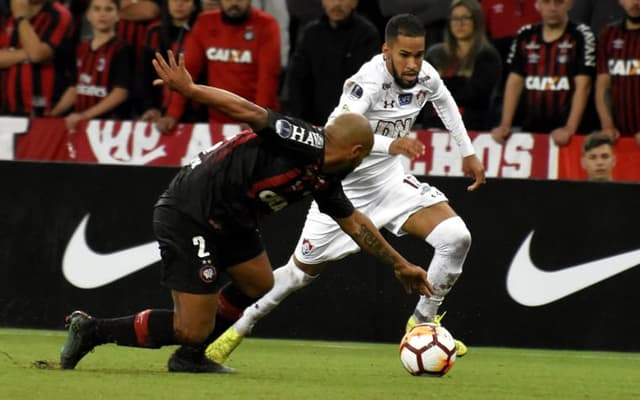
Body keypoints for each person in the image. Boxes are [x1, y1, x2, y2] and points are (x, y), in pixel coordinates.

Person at [59, 49, 432, 373]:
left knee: (259, 283)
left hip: (234, 219)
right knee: (191, 328)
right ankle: (93, 330)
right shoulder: (305, 139)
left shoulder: (326, 178)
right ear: (355, 153)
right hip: (192, 212)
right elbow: (250, 111)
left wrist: (400, 263)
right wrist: (190, 91)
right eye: (364, 157)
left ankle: (191, 359)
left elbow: (355, 224)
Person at [206, 13, 486, 365]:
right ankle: (236, 329)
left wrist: (469, 153)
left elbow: (443, 101)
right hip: (342, 192)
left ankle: (422, 322)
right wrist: (391, 145)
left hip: (389, 183)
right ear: (387, 51)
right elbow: (334, 136)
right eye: (405, 55)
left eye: (419, 54)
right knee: (296, 276)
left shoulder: (425, 75)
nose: (414, 64)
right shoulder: (365, 82)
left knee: (457, 238)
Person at [158, 0, 281, 131]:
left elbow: (268, 76)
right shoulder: (205, 22)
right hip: (216, 119)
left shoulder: (266, 24)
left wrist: (257, 117)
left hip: (256, 116)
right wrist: (172, 114)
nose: (234, 3)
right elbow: (187, 71)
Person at [490, 0, 597, 146]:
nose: (553, 8)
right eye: (547, 2)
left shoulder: (581, 35)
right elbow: (515, 81)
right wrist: (505, 124)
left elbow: (584, 85)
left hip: (573, 135)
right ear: (538, 4)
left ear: (570, 4)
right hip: (532, 131)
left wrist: (569, 128)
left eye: (559, 2)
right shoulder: (525, 34)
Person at [283, 0, 380, 126]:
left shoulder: (367, 35)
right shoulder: (311, 34)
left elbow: (366, 86)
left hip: (351, 124)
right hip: (312, 124)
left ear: (355, 3)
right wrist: (301, 123)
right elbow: (297, 82)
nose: (337, 4)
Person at [49, 0, 133, 131]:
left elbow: (120, 93)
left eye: (109, 9)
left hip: (110, 126)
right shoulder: (80, 48)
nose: (102, 14)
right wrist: (53, 114)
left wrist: (85, 115)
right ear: (88, 15)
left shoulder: (122, 49)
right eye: (97, 9)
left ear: (118, 15)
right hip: (80, 124)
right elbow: (74, 89)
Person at [422, 0, 502, 131]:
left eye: (465, 18)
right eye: (455, 18)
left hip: (470, 130)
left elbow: (474, 95)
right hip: (433, 130)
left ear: (476, 21)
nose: (459, 23)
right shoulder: (435, 54)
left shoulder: (487, 56)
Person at [0, 0, 73, 116]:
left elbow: (37, 55)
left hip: (47, 111)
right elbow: (36, 53)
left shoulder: (59, 15)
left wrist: (20, 17)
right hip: (7, 110)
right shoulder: (5, 13)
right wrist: (33, 50)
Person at [139, 0, 205, 123]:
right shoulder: (153, 32)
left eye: (185, 1)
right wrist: (150, 108)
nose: (179, 4)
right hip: (158, 112)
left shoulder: (203, 32)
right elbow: (146, 75)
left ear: (195, 4)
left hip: (196, 114)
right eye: (174, 0)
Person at [594, 0, 640, 146]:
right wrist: (607, 126)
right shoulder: (609, 34)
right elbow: (603, 86)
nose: (635, 2)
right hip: (619, 138)